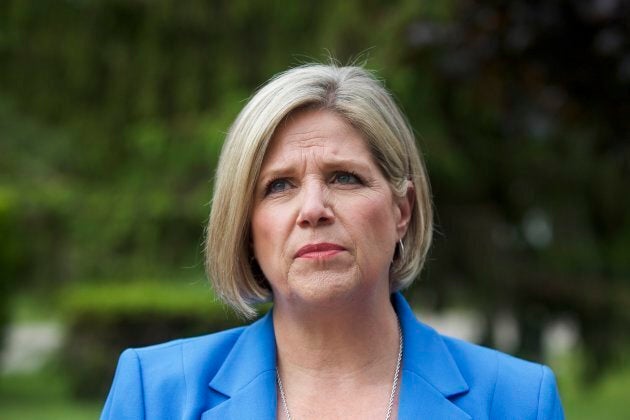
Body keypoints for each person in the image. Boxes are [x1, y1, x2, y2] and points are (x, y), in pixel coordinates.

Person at [101, 63, 564, 419]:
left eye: (344, 177)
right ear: (244, 224)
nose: (313, 209)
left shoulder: (518, 399)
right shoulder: (155, 392)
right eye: (279, 186)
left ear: (402, 211)